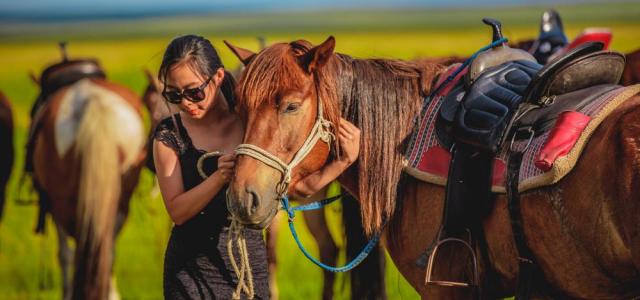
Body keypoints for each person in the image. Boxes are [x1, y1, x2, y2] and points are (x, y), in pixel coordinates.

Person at [153, 34, 360, 300]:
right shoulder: (169, 136)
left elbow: (295, 190)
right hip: (190, 272)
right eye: (174, 94)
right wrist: (218, 178)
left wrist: (344, 161)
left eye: (194, 92)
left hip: (249, 268)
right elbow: (177, 212)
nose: (186, 103)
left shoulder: (248, 127)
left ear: (217, 78)